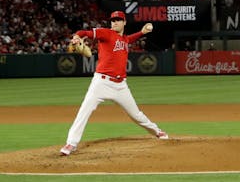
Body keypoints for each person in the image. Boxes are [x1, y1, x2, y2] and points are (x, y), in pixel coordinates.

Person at [59, 10, 168, 156]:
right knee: (84, 111)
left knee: (136, 114)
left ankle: (157, 131)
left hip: (121, 86)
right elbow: (85, 32)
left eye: (118, 20)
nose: (114, 22)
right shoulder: (106, 33)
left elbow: (129, 39)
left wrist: (142, 32)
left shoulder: (124, 40)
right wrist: (77, 36)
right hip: (101, 83)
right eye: (113, 20)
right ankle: (71, 144)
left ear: (124, 22)